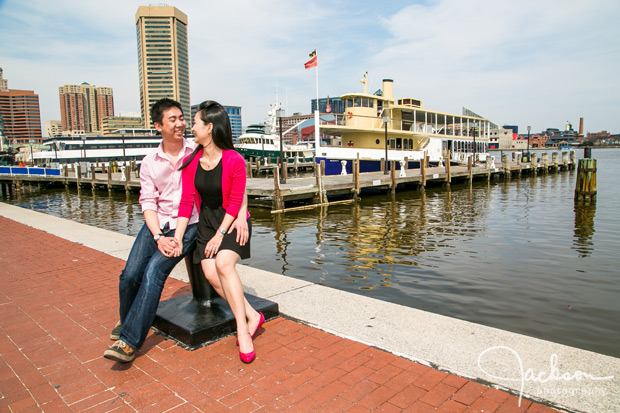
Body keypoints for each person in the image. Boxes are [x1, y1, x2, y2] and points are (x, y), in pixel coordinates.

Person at [104, 98, 248, 363]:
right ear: (158, 126)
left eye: (184, 118)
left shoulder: (198, 148)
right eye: (173, 119)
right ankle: (128, 321)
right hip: (159, 224)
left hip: (191, 222)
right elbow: (147, 202)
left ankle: (130, 340)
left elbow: (235, 177)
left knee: (153, 272)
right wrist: (159, 236)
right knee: (129, 275)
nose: (182, 124)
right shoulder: (149, 162)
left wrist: (241, 215)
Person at [173, 100, 262, 364]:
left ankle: (242, 329)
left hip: (232, 222)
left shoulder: (234, 159)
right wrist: (177, 237)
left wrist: (219, 234)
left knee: (223, 263)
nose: (192, 128)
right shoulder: (191, 162)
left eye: (196, 123)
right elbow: (186, 202)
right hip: (207, 224)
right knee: (210, 272)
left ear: (209, 127)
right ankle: (252, 314)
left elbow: (235, 202)